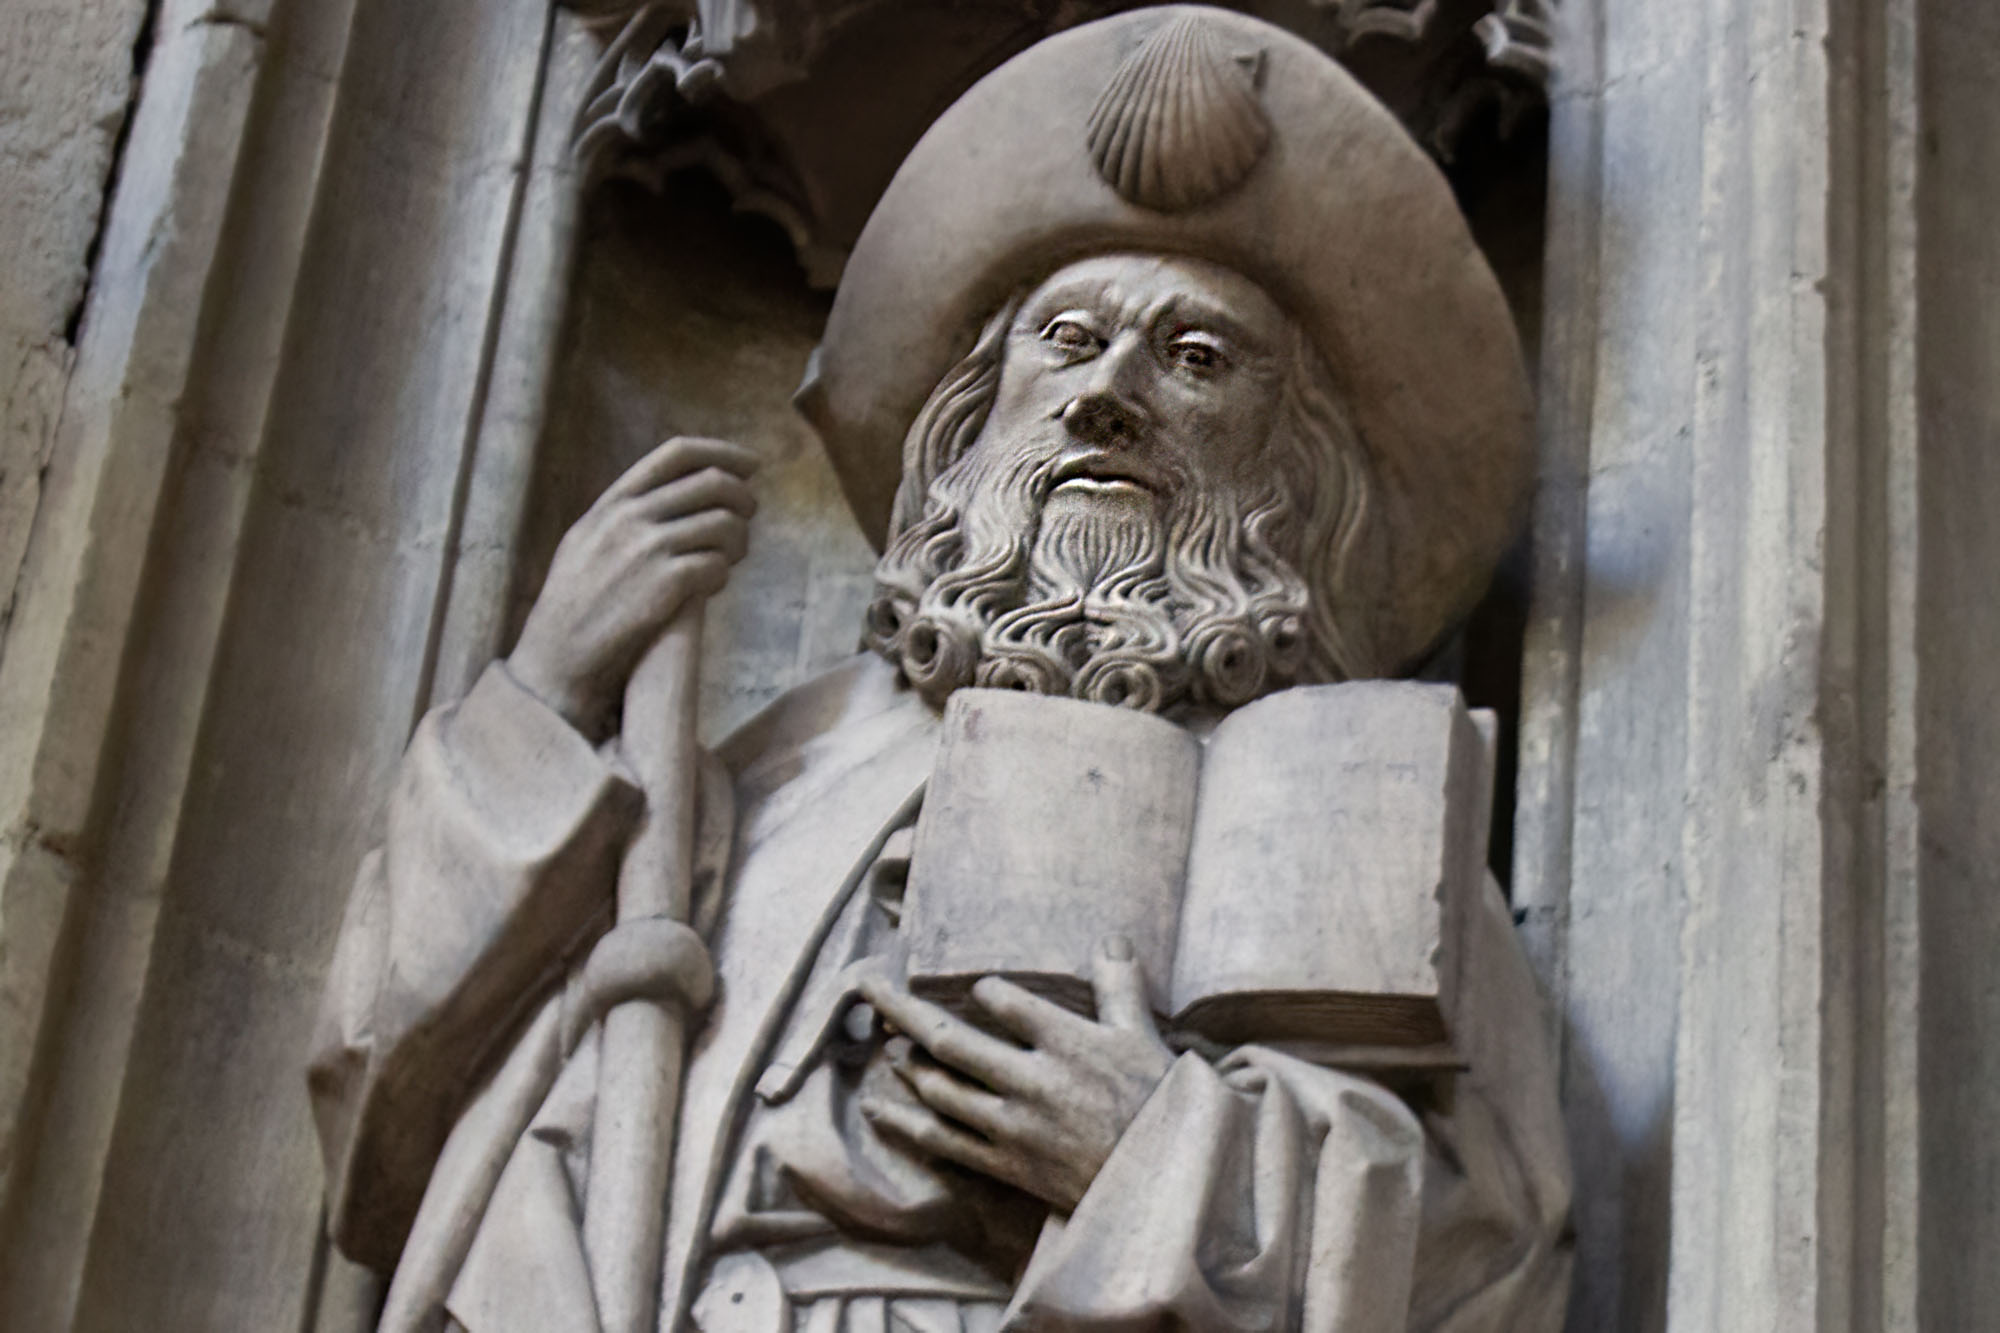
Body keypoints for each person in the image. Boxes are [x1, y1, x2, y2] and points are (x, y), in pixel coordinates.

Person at [308, 10, 1571, 1331]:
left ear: (1295, 467)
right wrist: (546, 700)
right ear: (971, 421)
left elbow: (1494, 1256)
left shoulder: (1349, 818)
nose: (1109, 394)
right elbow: (394, 1117)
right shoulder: (777, 780)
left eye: (1196, 359)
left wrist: (1164, 1158)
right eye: (1068, 340)